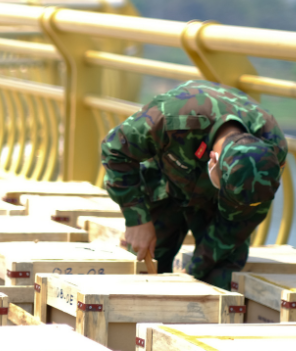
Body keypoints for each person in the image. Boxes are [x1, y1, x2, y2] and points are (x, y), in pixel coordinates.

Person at [101, 80, 288, 289]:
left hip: (215, 205)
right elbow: (115, 150)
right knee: (144, 264)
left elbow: (237, 222)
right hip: (168, 182)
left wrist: (192, 273)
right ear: (214, 161)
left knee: (220, 275)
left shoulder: (270, 150)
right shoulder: (172, 118)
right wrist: (137, 220)